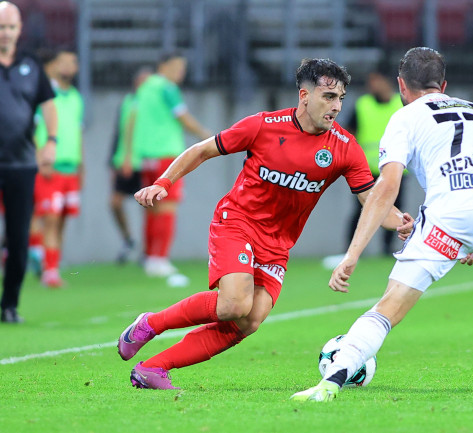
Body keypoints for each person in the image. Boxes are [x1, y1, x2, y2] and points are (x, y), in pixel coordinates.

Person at [117, 58, 412, 390]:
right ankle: (149, 324)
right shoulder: (264, 126)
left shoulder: (344, 148)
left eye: (341, 98)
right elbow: (202, 150)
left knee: (249, 320)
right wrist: (163, 182)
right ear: (304, 96)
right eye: (329, 97)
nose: (337, 107)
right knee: (234, 304)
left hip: (278, 243)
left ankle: (153, 368)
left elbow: (372, 199)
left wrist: (403, 223)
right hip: (237, 222)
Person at [291, 47, 473, 402]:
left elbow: (386, 188)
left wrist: (352, 254)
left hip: (450, 216)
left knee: (387, 309)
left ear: (401, 86)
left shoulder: (405, 117)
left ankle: (330, 383)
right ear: (444, 85)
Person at [0, 1, 57, 322]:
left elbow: (48, 104)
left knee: (19, 238)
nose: (5, 33)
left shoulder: (31, 65)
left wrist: (51, 141)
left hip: (21, 165)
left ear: (19, 29)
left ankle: (9, 304)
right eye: (1, 27)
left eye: (10, 27)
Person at [132, 51, 211, 277]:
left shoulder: (145, 87)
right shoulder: (167, 88)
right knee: (168, 207)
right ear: (163, 66)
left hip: (147, 155)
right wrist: (205, 135)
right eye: (176, 67)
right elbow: (183, 117)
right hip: (167, 155)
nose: (180, 72)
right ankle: (160, 259)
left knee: (151, 208)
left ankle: (149, 256)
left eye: (182, 68)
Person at [323, 68, 404, 269]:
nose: (372, 85)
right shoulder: (363, 104)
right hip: (367, 169)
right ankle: (350, 250)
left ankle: (389, 250)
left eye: (376, 80)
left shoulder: (400, 104)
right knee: (361, 209)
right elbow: (349, 133)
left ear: (387, 81)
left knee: (394, 208)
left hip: (395, 168)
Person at [30, 48, 83, 288]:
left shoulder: (76, 97)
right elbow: (31, 129)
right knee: (49, 219)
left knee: (62, 220)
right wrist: (41, 157)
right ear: (52, 65)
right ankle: (48, 270)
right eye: (64, 62)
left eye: (73, 62)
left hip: (71, 168)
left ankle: (51, 265)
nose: (69, 67)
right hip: (50, 166)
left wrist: (81, 164)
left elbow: (78, 133)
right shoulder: (42, 95)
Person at [108, 67, 152, 264]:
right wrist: (117, 160)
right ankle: (128, 239)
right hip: (126, 162)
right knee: (115, 203)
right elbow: (121, 132)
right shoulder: (128, 102)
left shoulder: (152, 105)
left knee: (149, 207)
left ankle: (149, 251)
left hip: (145, 161)